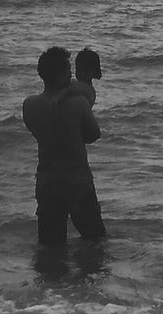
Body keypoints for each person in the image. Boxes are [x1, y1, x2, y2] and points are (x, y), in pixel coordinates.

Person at [22, 46, 106, 243]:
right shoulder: (78, 104)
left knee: (51, 245)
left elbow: (38, 133)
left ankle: (52, 272)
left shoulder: (29, 105)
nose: (71, 74)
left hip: (47, 182)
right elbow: (94, 135)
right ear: (60, 76)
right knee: (94, 241)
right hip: (77, 181)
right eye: (68, 70)